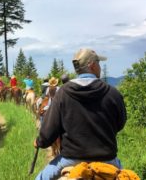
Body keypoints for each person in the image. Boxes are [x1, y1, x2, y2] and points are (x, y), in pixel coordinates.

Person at [34, 48, 127, 180]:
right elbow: (120, 123)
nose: (99, 67)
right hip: (107, 160)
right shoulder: (113, 93)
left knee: (40, 178)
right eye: (98, 63)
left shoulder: (63, 93)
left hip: (70, 160)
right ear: (92, 65)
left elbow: (49, 130)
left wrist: (40, 142)